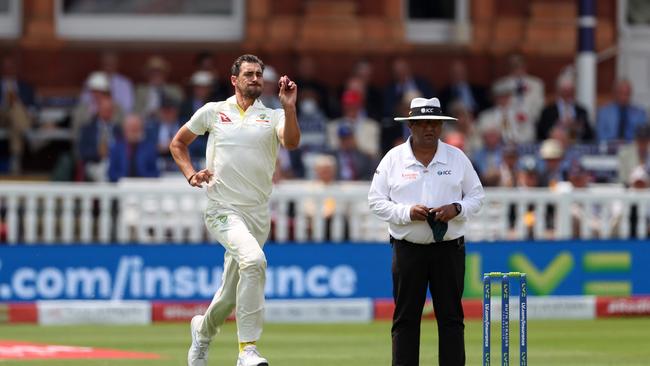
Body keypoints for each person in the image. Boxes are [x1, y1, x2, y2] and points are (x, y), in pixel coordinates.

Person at [169, 54, 300, 366]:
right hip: (222, 209)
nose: (255, 79)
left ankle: (202, 331)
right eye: (249, 74)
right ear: (234, 80)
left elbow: (292, 143)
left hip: (257, 214)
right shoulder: (214, 112)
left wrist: (290, 107)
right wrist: (191, 173)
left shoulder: (272, 116)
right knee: (254, 261)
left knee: (230, 294)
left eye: (259, 74)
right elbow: (178, 144)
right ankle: (248, 351)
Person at [368, 97, 484, 366]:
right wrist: (406, 213)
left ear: (441, 126)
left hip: (449, 248)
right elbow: (375, 201)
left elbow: (477, 196)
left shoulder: (456, 157)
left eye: (434, 123)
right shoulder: (393, 159)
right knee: (406, 319)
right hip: (408, 247)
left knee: (452, 318)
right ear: (410, 125)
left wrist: (456, 208)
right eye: (422, 123)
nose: (429, 129)